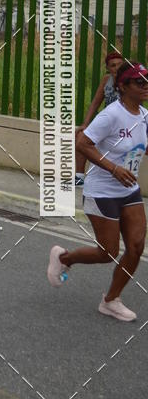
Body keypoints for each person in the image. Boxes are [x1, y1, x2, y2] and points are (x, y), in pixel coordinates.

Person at [48, 60, 148, 321]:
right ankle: (65, 259)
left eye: (147, 80)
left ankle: (111, 300)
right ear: (123, 86)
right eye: (140, 82)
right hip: (102, 191)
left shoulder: (144, 115)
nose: (146, 86)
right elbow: (82, 143)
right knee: (107, 252)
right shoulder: (111, 115)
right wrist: (113, 168)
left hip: (129, 190)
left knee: (136, 246)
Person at [75, 51, 123, 186]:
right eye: (113, 65)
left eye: (120, 64)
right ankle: (79, 177)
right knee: (81, 136)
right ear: (107, 68)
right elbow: (95, 103)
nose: (117, 68)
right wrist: (85, 124)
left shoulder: (129, 81)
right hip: (106, 121)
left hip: (122, 123)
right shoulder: (106, 80)